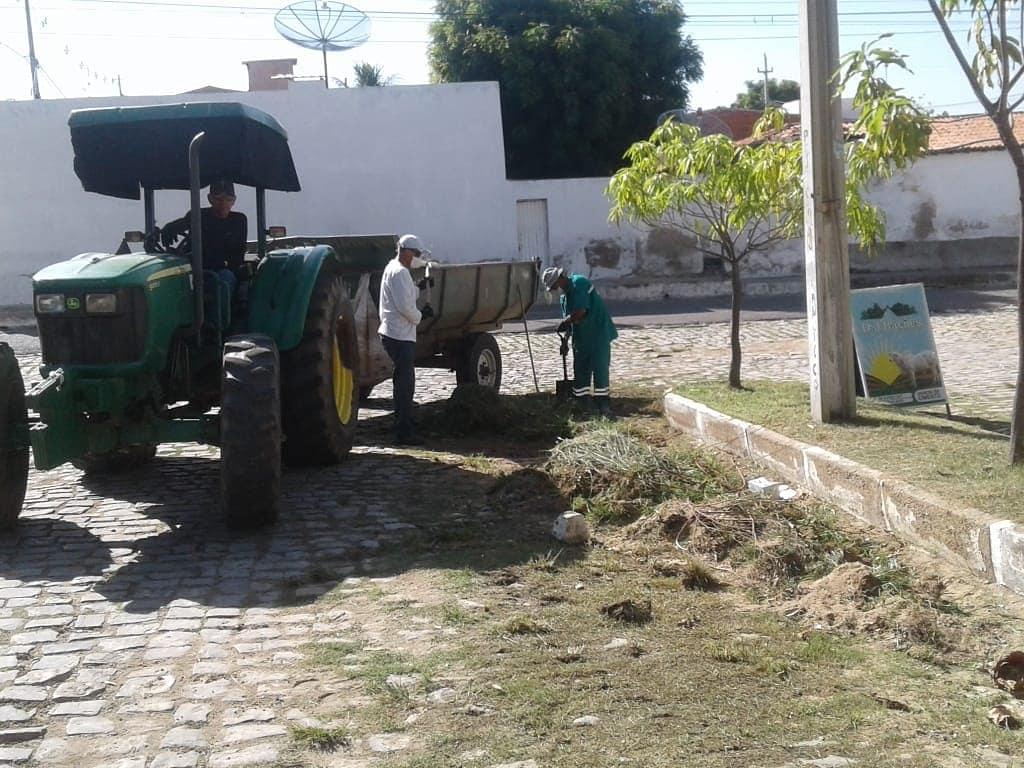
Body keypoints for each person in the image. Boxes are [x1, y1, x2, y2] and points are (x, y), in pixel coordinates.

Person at [378, 234, 434, 446]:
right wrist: (422, 315)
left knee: (402, 381)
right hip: (399, 335)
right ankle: (404, 431)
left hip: (395, 333)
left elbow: (407, 295)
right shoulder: (399, 272)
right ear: (406, 251)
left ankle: (403, 423)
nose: (418, 258)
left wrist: (420, 286)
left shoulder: (394, 269)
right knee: (405, 384)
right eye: (416, 254)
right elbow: (406, 307)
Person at [542, 267, 618, 417]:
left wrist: (565, 321)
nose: (554, 289)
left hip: (598, 333)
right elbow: (570, 323)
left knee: (600, 368)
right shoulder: (564, 298)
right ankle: (582, 402)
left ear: (560, 278)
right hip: (581, 338)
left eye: (554, 285)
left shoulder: (580, 284)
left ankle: (603, 403)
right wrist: (565, 341)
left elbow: (581, 312)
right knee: (581, 370)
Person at [160, 179, 248, 294]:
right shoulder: (198, 215)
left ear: (234, 201)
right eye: (218, 199)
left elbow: (238, 255)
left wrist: (220, 261)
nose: (223, 203)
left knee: (225, 280)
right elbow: (181, 224)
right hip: (195, 269)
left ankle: (218, 311)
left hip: (222, 270)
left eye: (228, 199)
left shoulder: (238, 220)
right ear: (210, 198)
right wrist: (168, 228)